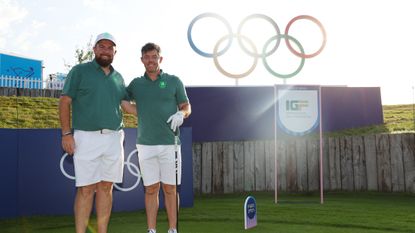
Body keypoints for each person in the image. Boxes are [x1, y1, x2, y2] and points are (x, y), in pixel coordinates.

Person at [59, 32, 136, 233]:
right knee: (86, 189)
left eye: (110, 47)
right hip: (86, 137)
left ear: (115, 52)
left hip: (113, 138)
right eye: (101, 46)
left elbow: (127, 106)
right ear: (94, 49)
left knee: (106, 187)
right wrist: (66, 133)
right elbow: (65, 101)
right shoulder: (79, 71)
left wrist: (156, 109)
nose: (105, 50)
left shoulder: (118, 77)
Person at [127, 42, 191, 233]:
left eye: (154, 57)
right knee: (151, 189)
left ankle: (172, 229)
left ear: (160, 59)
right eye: (146, 57)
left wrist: (182, 115)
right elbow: (122, 99)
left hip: (170, 145)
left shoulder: (173, 81)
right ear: (142, 60)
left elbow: (186, 106)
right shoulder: (136, 84)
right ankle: (152, 230)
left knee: (170, 189)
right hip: (145, 145)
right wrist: (139, 112)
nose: (150, 60)